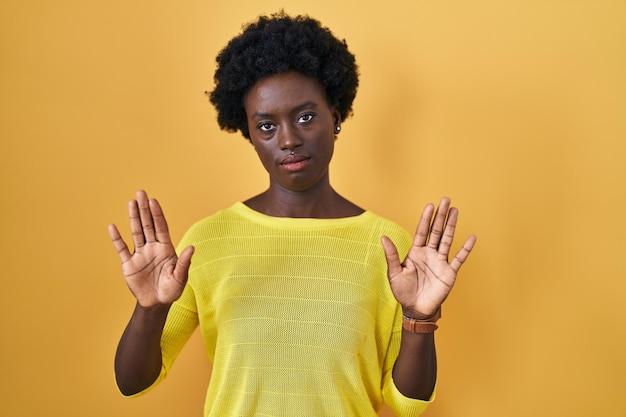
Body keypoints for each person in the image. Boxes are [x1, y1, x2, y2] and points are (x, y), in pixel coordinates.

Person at [108, 11, 476, 417]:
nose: (287, 139)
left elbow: (407, 404)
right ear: (248, 134)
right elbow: (133, 382)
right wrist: (149, 309)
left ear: (334, 117)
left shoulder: (387, 246)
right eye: (266, 126)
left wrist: (418, 319)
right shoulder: (208, 240)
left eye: (305, 117)